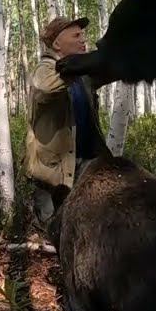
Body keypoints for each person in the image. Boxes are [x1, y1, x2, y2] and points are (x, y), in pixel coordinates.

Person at [24, 15, 107, 226]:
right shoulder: (44, 70)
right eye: (76, 35)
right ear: (57, 43)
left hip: (84, 165)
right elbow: (46, 86)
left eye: (83, 35)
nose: (83, 40)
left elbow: (111, 68)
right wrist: (85, 63)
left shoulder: (83, 74)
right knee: (54, 228)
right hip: (51, 173)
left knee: (84, 226)